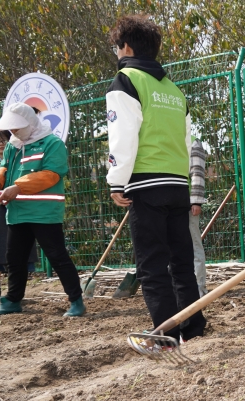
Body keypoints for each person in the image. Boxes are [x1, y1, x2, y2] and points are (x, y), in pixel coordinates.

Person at [106, 14, 206, 346]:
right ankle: (193, 326)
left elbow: (123, 136)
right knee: (181, 260)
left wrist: (116, 180)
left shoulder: (126, 80)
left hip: (146, 184)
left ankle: (165, 334)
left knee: (151, 265)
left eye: (116, 47)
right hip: (177, 184)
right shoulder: (175, 90)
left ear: (126, 46)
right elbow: (188, 139)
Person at [0, 102, 85, 316]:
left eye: (17, 127)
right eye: (11, 128)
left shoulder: (52, 143)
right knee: (14, 259)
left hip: (44, 212)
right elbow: (4, 168)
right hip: (17, 212)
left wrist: (18, 186)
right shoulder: (13, 146)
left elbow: (52, 173)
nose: (13, 131)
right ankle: (12, 300)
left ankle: (76, 300)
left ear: (30, 122)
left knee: (57, 256)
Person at [0, 130, 38, 302]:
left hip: (18, 209)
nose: (1, 143)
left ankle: (16, 291)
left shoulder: (20, 161)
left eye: (4, 140)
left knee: (18, 253)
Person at [189, 137, 207, 297]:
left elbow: (197, 171)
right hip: (170, 204)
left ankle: (199, 288)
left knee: (194, 245)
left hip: (187, 204)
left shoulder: (193, 143)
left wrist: (196, 200)